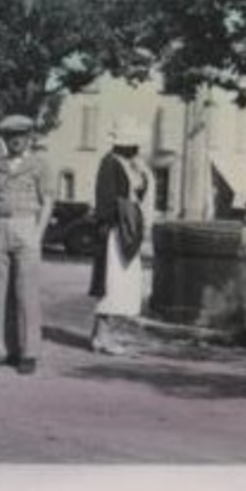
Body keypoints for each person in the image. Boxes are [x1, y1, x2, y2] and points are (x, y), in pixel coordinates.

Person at [0, 114, 53, 374]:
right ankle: (6, 350)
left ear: (29, 137)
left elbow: (47, 201)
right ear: (4, 139)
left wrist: (37, 236)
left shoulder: (39, 165)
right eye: (9, 136)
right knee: (1, 293)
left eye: (20, 135)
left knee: (26, 293)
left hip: (25, 225)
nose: (15, 141)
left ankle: (29, 352)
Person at [89, 117, 151, 356]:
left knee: (120, 285)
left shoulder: (128, 163)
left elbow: (139, 192)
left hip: (125, 229)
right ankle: (103, 337)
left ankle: (100, 335)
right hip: (115, 231)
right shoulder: (111, 163)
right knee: (111, 285)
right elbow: (106, 199)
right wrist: (117, 219)